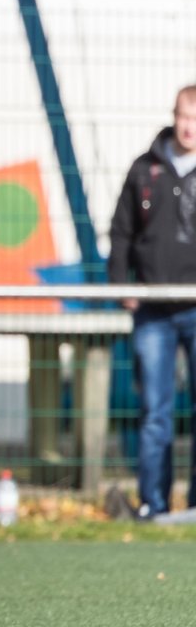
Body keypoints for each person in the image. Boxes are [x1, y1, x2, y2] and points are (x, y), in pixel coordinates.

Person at [108, 84, 196, 521]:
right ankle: (153, 506)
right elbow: (121, 230)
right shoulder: (145, 169)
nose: (189, 127)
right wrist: (119, 284)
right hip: (153, 310)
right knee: (155, 414)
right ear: (173, 115)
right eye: (184, 116)